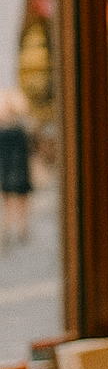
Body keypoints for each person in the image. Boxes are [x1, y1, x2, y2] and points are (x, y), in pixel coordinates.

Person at [0, 88, 33, 250]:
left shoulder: (18, 128)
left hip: (12, 169)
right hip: (14, 169)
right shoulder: (20, 128)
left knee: (15, 202)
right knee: (15, 202)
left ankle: (16, 228)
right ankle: (16, 228)